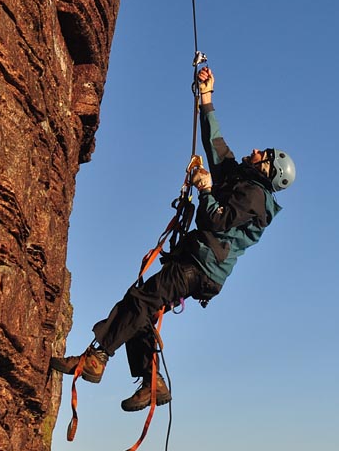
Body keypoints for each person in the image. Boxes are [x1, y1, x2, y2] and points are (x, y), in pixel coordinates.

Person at [50, 66, 296, 411]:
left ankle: (97, 358)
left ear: (267, 169)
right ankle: (153, 383)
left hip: (200, 266)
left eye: (263, 154)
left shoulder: (254, 196)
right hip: (200, 266)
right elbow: (217, 147)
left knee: (140, 301)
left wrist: (206, 190)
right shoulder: (242, 180)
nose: (256, 150)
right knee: (142, 310)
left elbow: (217, 220)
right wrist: (206, 98)